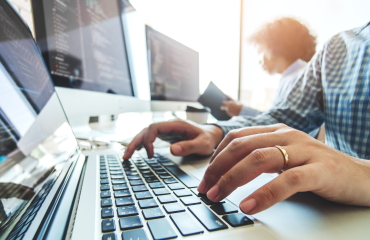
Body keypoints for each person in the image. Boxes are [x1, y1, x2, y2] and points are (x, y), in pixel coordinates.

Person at [123, 21, 370, 215]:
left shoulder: (298, 71)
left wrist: (360, 173)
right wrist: (215, 131)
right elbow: (285, 117)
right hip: (329, 210)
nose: (259, 58)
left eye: (262, 50)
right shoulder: (338, 48)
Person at [221, 17, 317, 119]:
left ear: (276, 47)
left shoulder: (299, 79)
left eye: (260, 52)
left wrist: (242, 111)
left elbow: (282, 123)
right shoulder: (292, 77)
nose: (259, 60)